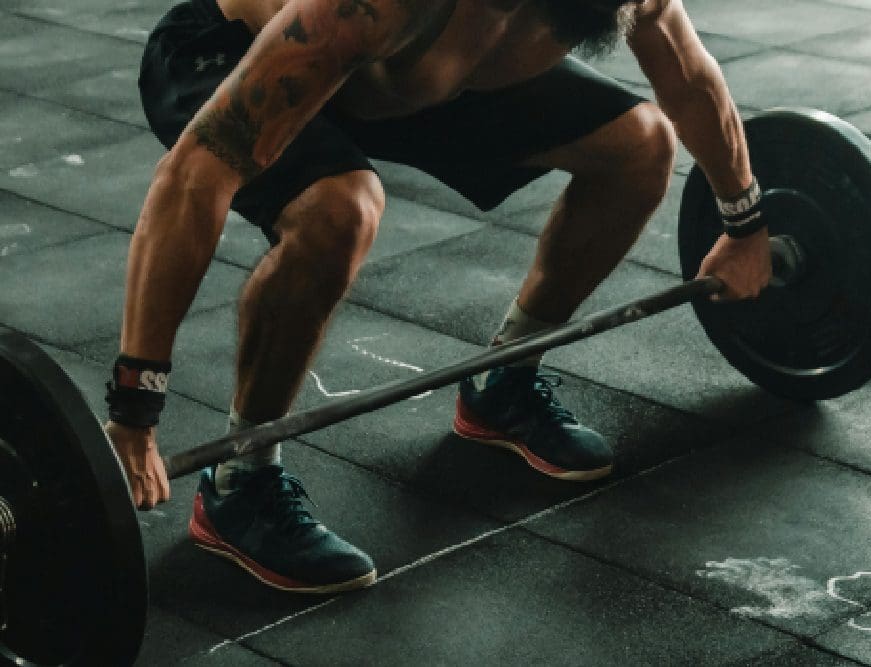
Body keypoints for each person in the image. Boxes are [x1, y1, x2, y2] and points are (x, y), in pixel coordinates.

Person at [105, 0, 771, 593]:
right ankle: (241, 482)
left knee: (640, 144)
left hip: (410, 86)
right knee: (342, 209)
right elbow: (195, 177)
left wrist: (743, 220)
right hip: (231, 47)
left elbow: (686, 78)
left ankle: (503, 383)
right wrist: (136, 399)